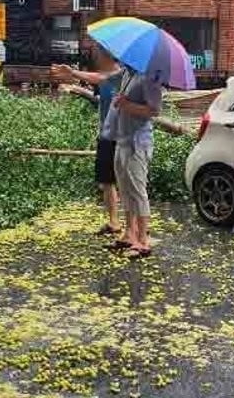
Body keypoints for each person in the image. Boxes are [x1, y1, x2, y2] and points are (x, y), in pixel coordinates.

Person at [52, 49, 123, 236]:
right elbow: (99, 86)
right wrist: (75, 82)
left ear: (107, 56)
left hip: (121, 136)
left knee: (123, 182)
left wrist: (73, 76)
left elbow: (100, 78)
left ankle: (133, 230)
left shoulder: (120, 76)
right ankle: (114, 222)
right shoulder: (107, 76)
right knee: (106, 181)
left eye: (99, 53)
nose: (96, 57)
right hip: (106, 135)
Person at [107, 67, 163, 259]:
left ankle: (143, 240)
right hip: (122, 140)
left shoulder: (150, 77)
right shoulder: (127, 73)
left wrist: (126, 105)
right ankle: (130, 233)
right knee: (125, 190)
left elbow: (154, 110)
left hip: (137, 143)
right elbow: (103, 78)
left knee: (138, 191)